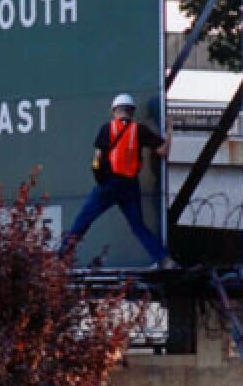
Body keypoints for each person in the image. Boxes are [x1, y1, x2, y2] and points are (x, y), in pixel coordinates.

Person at [65, 93, 176, 269]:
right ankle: (164, 259)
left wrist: (100, 179)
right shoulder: (139, 130)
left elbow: (97, 158)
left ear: (114, 111)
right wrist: (170, 131)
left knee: (84, 219)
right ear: (131, 111)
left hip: (108, 184)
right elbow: (163, 150)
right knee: (138, 226)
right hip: (130, 186)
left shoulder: (106, 129)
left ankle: (59, 259)